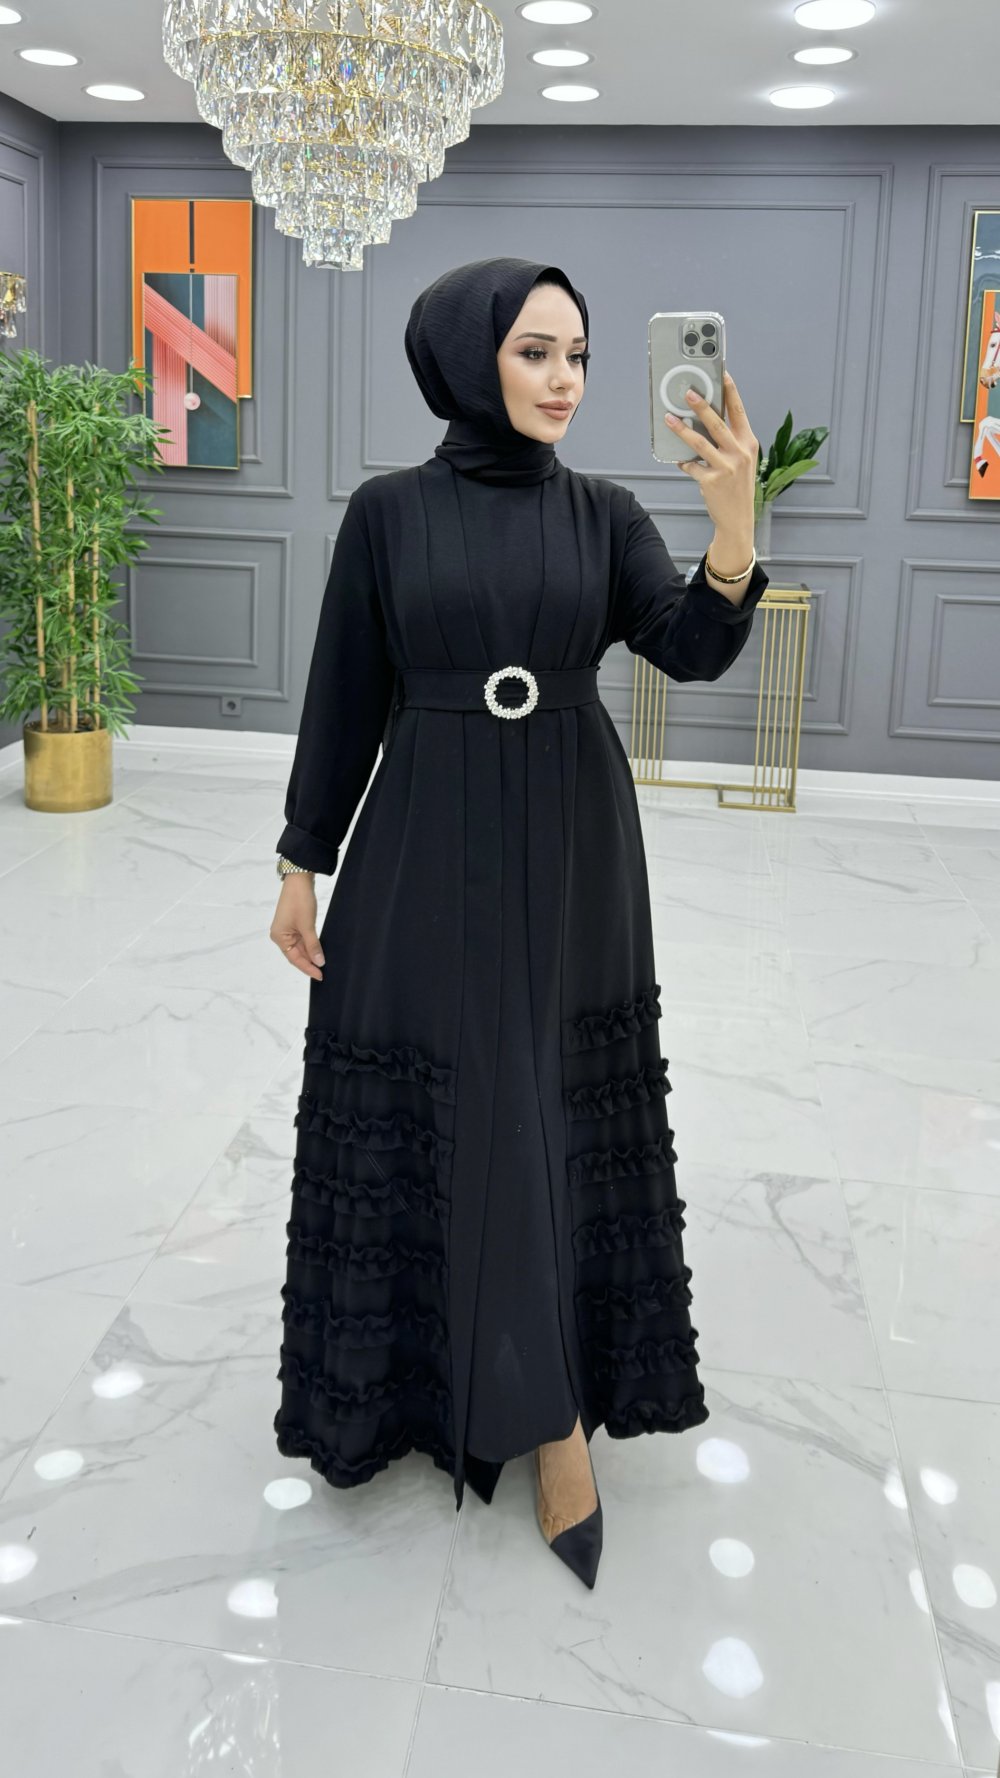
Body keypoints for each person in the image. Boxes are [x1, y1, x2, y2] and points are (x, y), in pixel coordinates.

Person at [269, 257, 768, 1588]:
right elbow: (343, 691)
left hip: (572, 839)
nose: (565, 379)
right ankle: (426, 1382)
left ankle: (557, 1424)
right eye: (536, 351)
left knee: (542, 1105)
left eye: (580, 355)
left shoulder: (604, 515)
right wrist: (302, 858)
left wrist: (732, 535)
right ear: (468, 356)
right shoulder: (388, 514)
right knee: (450, 1099)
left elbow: (690, 646)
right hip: (424, 833)